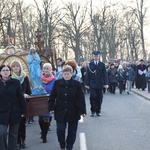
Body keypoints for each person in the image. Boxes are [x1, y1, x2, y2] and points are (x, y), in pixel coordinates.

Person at [48, 65, 86, 150]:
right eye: (64, 74)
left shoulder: (77, 84)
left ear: (71, 74)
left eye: (68, 74)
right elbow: (52, 96)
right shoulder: (57, 83)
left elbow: (81, 98)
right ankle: (62, 144)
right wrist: (51, 107)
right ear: (62, 74)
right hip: (60, 110)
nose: (66, 75)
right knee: (60, 130)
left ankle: (69, 147)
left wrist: (82, 110)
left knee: (72, 132)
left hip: (73, 111)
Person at [0, 64, 27, 150]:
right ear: (0, 72)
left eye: (7, 70)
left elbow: (20, 97)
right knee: (2, 133)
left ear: (10, 72)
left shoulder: (15, 82)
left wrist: (24, 112)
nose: (5, 72)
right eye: (3, 70)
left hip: (14, 112)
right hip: (1, 113)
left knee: (13, 135)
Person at [10, 60, 31, 149]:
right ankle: (17, 141)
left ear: (20, 67)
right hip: (14, 104)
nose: (16, 68)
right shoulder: (10, 79)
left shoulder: (24, 77)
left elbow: (28, 91)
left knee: (22, 124)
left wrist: (26, 94)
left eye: (17, 66)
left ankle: (23, 140)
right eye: (14, 66)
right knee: (15, 124)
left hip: (23, 104)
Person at [84, 51, 108, 117]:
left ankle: (98, 110)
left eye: (97, 56)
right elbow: (88, 75)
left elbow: (104, 75)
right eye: (95, 56)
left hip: (100, 83)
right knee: (92, 97)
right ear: (93, 57)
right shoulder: (90, 65)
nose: (96, 57)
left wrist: (106, 83)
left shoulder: (102, 64)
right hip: (92, 83)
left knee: (99, 97)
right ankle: (93, 110)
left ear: (99, 56)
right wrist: (87, 84)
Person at [39, 63, 56, 143]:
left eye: (47, 69)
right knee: (40, 119)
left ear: (51, 70)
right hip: (40, 100)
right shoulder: (39, 79)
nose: (45, 70)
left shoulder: (54, 80)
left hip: (49, 100)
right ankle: (42, 131)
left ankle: (44, 136)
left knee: (47, 118)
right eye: (44, 68)